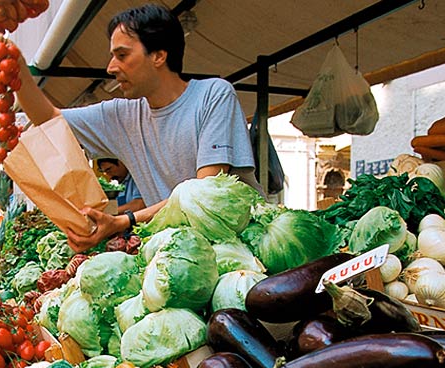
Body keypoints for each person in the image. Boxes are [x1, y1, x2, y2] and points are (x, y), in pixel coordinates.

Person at [16, 4, 262, 252]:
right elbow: (50, 120)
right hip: (178, 252)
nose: (111, 67)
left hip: (241, 251)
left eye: (122, 55)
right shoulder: (122, 115)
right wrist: (18, 74)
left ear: (158, 55)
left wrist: (124, 220)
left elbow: (203, 194)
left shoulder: (213, 95)